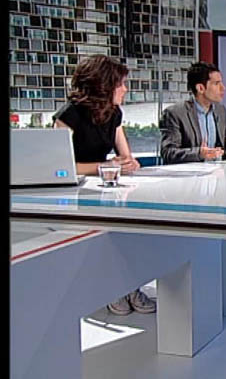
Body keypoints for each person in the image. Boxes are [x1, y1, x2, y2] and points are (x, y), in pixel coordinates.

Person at [53, 55, 154, 316]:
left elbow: (126, 157)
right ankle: (112, 288)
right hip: (74, 193)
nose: (125, 89)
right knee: (108, 232)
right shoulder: (69, 115)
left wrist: (128, 164)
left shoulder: (115, 113)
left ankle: (129, 286)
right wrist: (105, 166)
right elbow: (59, 167)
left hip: (105, 187)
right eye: (121, 84)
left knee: (134, 225)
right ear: (104, 85)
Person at [160, 61, 226, 164]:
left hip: (218, 171)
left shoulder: (220, 111)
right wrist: (199, 154)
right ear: (200, 88)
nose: (223, 88)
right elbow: (168, 153)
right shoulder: (175, 114)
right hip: (191, 173)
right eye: (216, 83)